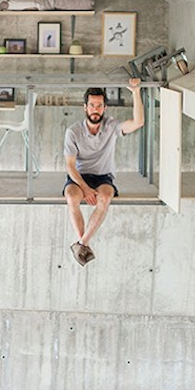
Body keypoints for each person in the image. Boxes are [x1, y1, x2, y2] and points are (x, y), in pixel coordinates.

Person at [63, 78, 144, 265]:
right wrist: (85, 188)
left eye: (99, 105)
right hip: (79, 177)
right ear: (85, 107)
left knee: (105, 198)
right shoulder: (73, 132)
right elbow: (70, 166)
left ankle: (81, 244)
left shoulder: (111, 126)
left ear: (105, 108)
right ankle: (82, 244)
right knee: (72, 198)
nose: (95, 109)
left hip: (103, 177)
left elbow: (138, 122)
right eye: (92, 105)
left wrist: (136, 92)